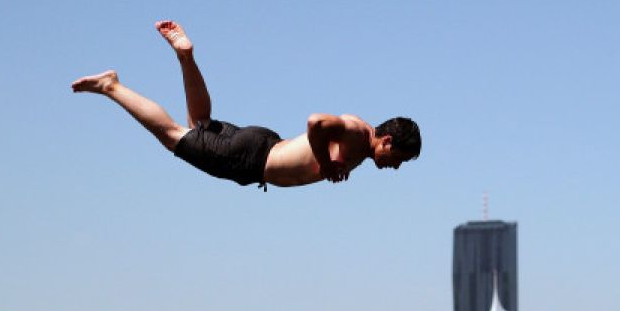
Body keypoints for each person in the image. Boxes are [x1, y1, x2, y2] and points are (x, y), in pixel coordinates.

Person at [72, 21, 421, 189]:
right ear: (387, 141)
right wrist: (328, 162)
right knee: (172, 135)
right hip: (255, 158)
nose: (396, 167)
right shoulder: (358, 132)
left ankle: (185, 57)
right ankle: (112, 86)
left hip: (263, 147)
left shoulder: (361, 144)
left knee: (200, 124)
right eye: (399, 160)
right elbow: (316, 122)